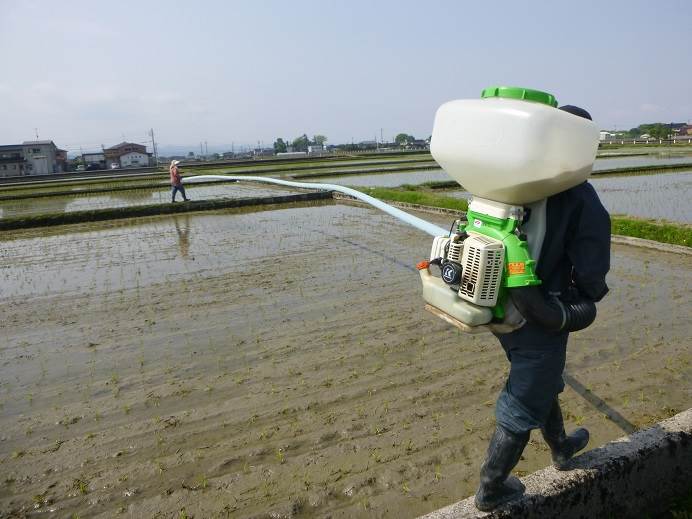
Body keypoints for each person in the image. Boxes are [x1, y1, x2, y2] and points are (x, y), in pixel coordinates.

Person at [474, 105, 611, 511]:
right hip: (541, 314)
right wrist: (586, 296)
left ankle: (562, 446)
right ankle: (491, 487)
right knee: (522, 401)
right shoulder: (579, 196)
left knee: (540, 379)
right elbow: (591, 275)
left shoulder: (513, 177)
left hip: (501, 306)